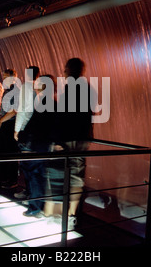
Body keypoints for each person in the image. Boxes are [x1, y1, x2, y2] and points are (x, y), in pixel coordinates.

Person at [47, 58, 95, 227]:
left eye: (65, 69)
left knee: (68, 174)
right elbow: (88, 114)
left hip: (70, 138)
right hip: (82, 137)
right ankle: (70, 214)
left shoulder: (72, 87)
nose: (63, 72)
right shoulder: (87, 87)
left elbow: (64, 116)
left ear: (69, 70)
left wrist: (56, 138)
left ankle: (64, 215)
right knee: (76, 174)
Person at [18, 74, 58, 217]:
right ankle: (34, 204)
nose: (35, 88)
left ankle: (35, 207)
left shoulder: (46, 103)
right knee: (34, 176)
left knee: (34, 176)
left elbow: (36, 126)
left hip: (36, 146)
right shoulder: (49, 103)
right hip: (38, 145)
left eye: (38, 85)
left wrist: (23, 136)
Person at [12, 66, 40, 201]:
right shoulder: (40, 87)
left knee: (26, 165)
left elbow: (22, 110)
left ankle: (29, 193)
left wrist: (16, 130)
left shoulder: (25, 87)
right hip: (36, 130)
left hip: (25, 130)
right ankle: (34, 194)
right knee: (34, 166)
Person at [0, 68, 21, 189]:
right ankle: (4, 177)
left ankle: (12, 179)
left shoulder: (16, 91)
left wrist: (0, 120)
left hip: (10, 125)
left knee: (10, 152)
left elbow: (14, 111)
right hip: (4, 124)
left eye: (5, 77)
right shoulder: (6, 91)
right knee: (2, 151)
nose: (3, 79)